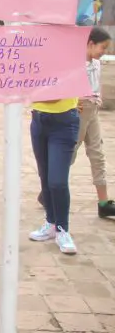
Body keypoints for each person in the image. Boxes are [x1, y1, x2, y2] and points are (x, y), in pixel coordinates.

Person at [28, 91, 80, 254]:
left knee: (57, 181)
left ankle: (62, 229)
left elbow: (57, 95)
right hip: (39, 120)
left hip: (64, 122)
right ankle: (50, 222)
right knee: (44, 175)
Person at [74, 27, 114, 218]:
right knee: (69, 156)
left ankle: (104, 202)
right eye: (103, 47)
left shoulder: (97, 63)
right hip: (79, 112)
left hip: (93, 111)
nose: (104, 52)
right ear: (90, 44)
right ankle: (47, 194)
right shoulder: (75, 63)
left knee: (97, 155)